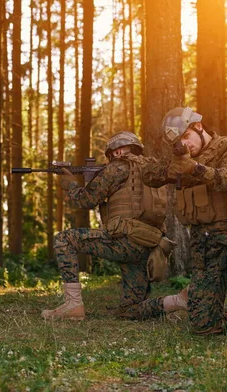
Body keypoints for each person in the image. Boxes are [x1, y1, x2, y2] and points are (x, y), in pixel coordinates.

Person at [142, 107, 227, 349]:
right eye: (178, 142)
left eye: (186, 137)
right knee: (204, 327)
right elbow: (148, 174)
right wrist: (170, 170)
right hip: (206, 246)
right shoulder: (180, 159)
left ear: (198, 127)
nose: (184, 145)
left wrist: (195, 169)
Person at [41, 131, 187, 321]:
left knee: (64, 239)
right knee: (130, 310)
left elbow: (87, 200)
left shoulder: (118, 168)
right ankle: (176, 301)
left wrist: (70, 185)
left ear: (117, 152)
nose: (115, 156)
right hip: (147, 245)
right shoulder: (151, 168)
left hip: (125, 241)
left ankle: (73, 305)